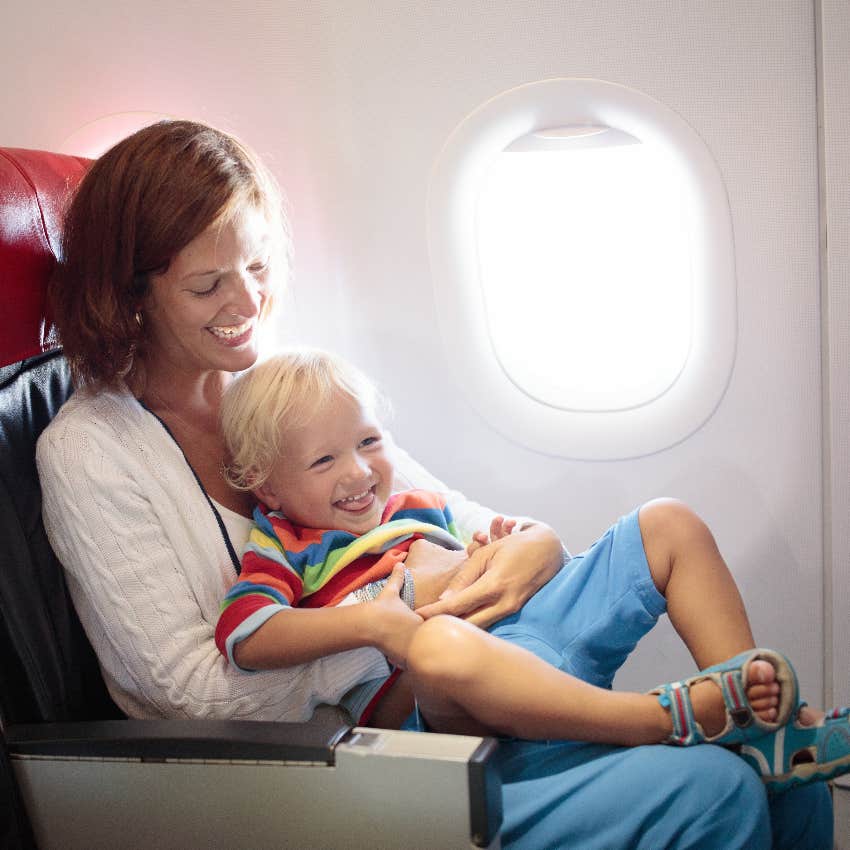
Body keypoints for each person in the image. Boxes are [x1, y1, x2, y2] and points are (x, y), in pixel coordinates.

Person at [35, 118, 833, 849]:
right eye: (207, 287)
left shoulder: (276, 382)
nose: (247, 303)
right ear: (129, 293)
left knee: (780, 777)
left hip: (482, 656)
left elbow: (444, 515)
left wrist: (533, 543)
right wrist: (399, 620)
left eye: (258, 265)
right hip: (352, 756)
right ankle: (670, 725)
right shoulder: (93, 452)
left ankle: (746, 710)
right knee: (713, 790)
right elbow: (188, 697)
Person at [215, 347, 850, 789]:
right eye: (323, 462)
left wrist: (502, 539)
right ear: (266, 488)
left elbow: (508, 549)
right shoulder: (286, 543)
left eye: (369, 442)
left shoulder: (415, 506)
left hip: (533, 623)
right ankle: (663, 720)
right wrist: (376, 625)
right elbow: (246, 635)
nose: (358, 472)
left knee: (667, 520)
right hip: (453, 688)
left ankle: (755, 717)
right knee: (437, 645)